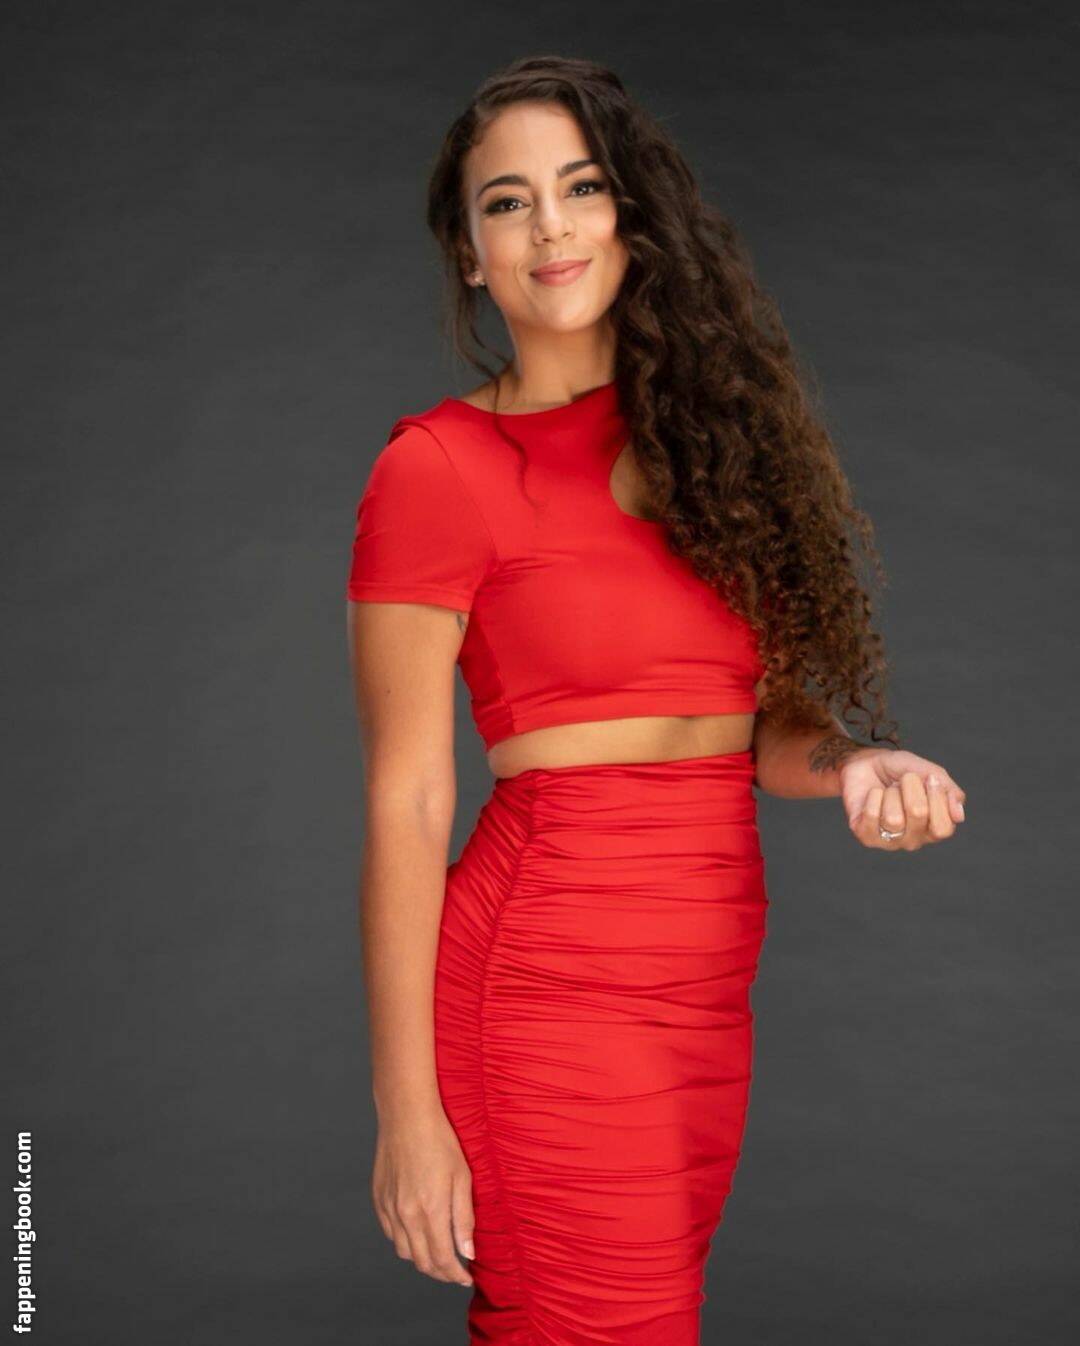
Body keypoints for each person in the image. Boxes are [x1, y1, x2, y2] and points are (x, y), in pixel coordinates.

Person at [345, 55, 966, 1346]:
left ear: (632, 214)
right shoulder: (437, 467)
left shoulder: (717, 450)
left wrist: (854, 761)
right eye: (507, 202)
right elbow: (405, 802)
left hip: (702, 980)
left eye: (581, 187)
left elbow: (752, 727)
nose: (551, 226)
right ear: (469, 253)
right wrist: (406, 1116)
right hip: (546, 980)